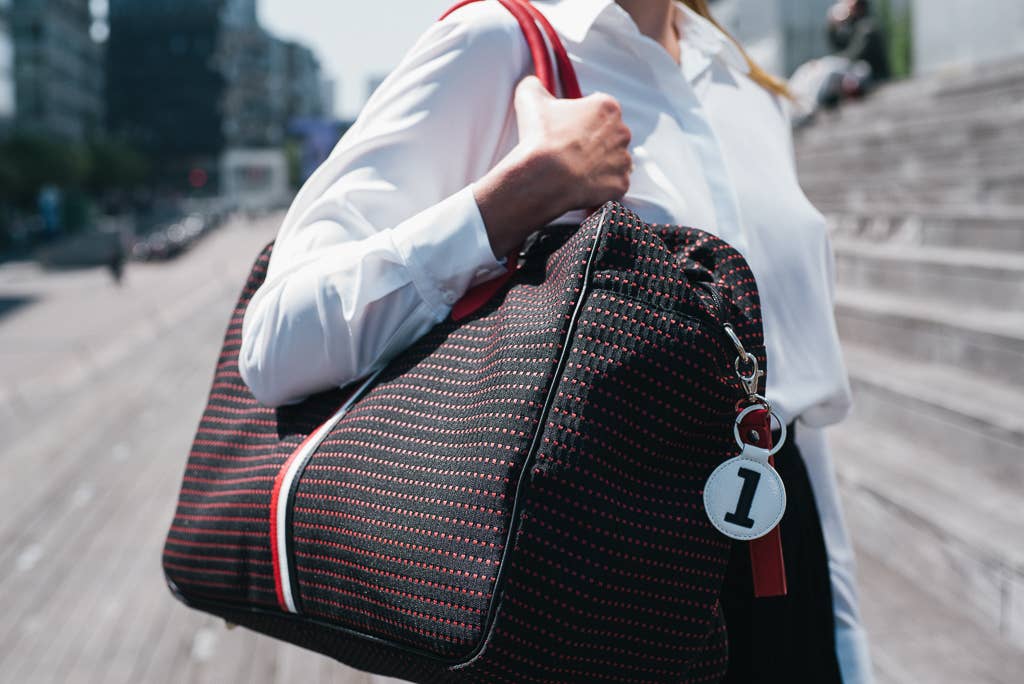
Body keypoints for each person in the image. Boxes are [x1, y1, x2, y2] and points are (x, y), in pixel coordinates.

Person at [238, 1, 873, 681]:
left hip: (778, 542)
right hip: (590, 573)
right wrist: (514, 199)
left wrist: (844, 641)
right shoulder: (496, 45)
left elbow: (789, 407)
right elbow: (275, 342)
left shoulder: (742, 82)